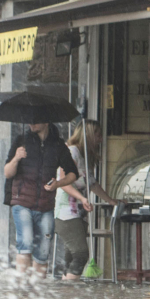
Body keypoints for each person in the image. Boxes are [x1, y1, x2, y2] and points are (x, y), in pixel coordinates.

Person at [4, 122, 77, 277]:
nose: (31, 123)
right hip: (22, 203)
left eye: (36, 120)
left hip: (46, 206)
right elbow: (7, 173)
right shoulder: (21, 141)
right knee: (26, 241)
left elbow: (72, 173)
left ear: (46, 121)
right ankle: (22, 289)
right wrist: (16, 158)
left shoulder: (58, 146)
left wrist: (58, 183)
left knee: (43, 250)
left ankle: (39, 291)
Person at [54, 120, 120, 280]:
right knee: (81, 253)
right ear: (88, 134)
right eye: (97, 135)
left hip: (79, 212)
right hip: (66, 212)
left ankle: (66, 295)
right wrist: (82, 197)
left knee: (71, 256)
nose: (100, 139)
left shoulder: (85, 156)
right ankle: (71, 290)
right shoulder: (72, 152)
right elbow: (62, 182)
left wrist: (110, 200)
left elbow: (92, 183)